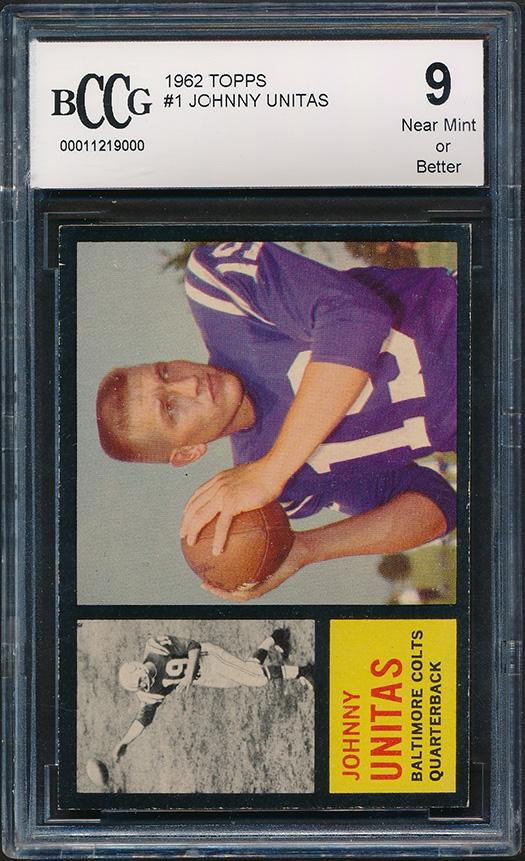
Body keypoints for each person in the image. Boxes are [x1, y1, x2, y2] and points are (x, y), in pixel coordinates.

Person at [97, 242, 457, 601]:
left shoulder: (218, 289)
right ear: (189, 452)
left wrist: (273, 469)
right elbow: (438, 506)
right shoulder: (282, 490)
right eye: (170, 408)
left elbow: (357, 317)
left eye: (164, 372)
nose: (188, 383)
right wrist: (305, 549)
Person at [112, 629, 314, 761]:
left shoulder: (155, 647)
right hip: (205, 677)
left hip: (210, 658)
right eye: (138, 686)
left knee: (255, 678)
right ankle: (275, 637)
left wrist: (188, 676)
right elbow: (143, 719)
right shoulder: (150, 691)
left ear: (137, 667)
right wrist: (124, 742)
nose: (143, 685)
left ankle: (305, 671)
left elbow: (193, 646)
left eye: (139, 681)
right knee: (247, 673)